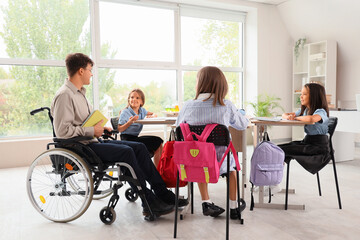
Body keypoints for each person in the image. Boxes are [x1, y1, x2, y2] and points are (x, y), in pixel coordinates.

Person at [51, 53, 187, 219]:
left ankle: (161, 192)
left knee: (140, 147)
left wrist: (101, 128)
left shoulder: (80, 94)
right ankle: (148, 200)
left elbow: (83, 122)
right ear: (80, 71)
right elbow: (62, 131)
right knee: (127, 151)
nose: (91, 73)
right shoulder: (65, 95)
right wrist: (91, 131)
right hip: (81, 147)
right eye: (89, 70)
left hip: (92, 141)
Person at [176, 66, 249, 219]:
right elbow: (241, 125)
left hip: (195, 159)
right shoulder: (225, 105)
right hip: (220, 161)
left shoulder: (188, 105)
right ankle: (234, 207)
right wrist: (242, 114)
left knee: (200, 158)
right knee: (232, 169)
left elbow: (178, 128)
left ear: (200, 83)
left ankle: (206, 201)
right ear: (221, 84)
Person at [279, 83, 331, 174]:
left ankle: (274, 184)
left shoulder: (321, 111)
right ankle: (274, 180)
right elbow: (284, 114)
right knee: (278, 149)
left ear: (314, 96)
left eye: (304, 94)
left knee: (280, 151)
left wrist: (295, 118)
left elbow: (311, 119)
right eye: (301, 94)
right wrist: (288, 117)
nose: (301, 97)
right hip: (307, 143)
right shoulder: (305, 110)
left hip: (318, 148)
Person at [118, 89, 163, 167]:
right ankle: (157, 173)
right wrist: (129, 122)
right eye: (132, 97)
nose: (134, 99)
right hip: (127, 140)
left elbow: (153, 113)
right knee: (157, 142)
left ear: (142, 102)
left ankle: (159, 171)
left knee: (159, 142)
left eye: (137, 98)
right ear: (129, 100)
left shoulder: (141, 111)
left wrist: (152, 115)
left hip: (135, 138)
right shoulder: (125, 112)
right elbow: (119, 129)